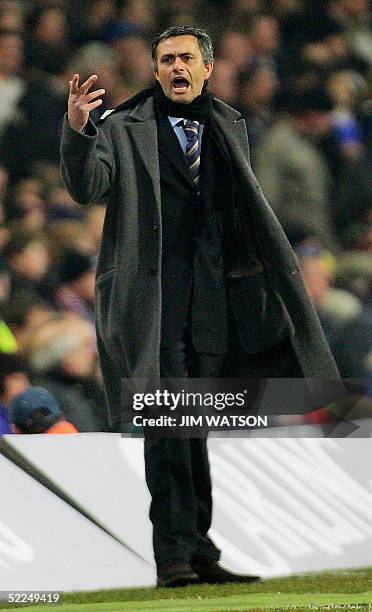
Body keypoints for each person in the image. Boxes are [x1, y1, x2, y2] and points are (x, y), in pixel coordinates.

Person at [60, 25, 339, 587]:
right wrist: (78, 131)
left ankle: (200, 549)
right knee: (168, 430)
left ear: (207, 68)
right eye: (165, 60)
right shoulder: (123, 125)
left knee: (194, 431)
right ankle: (174, 557)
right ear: (156, 68)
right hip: (152, 305)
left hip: (215, 304)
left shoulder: (231, 123)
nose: (175, 68)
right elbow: (88, 187)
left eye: (186, 58)